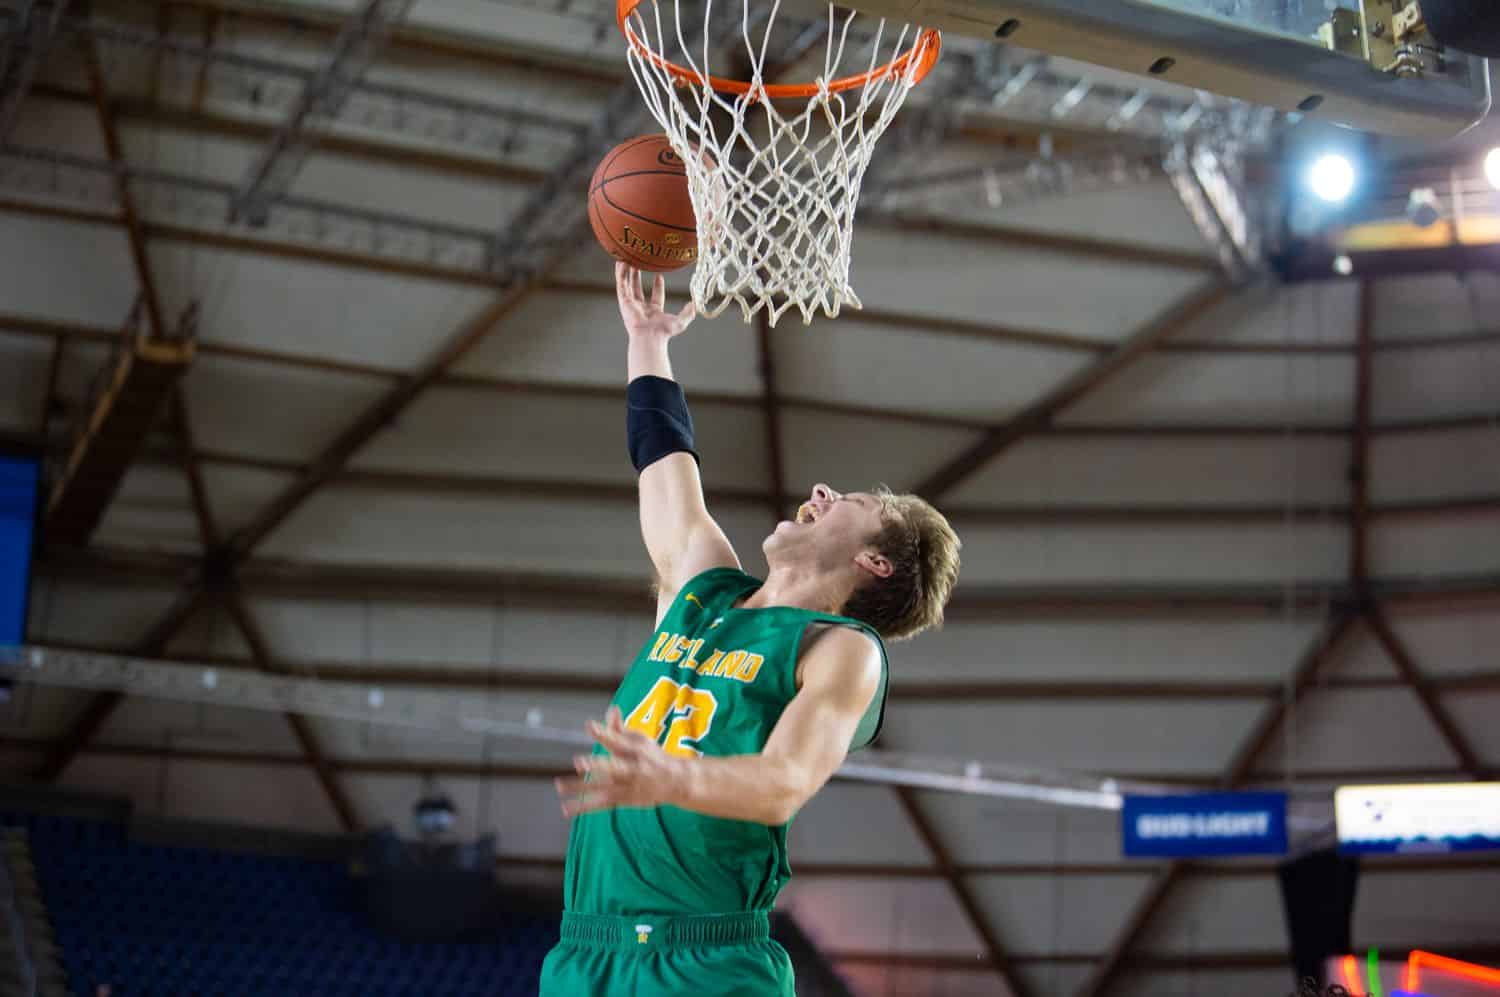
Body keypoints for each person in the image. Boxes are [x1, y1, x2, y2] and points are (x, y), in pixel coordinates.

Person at [540, 263, 961, 996]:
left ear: (874, 561)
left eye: (851, 501)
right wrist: (647, 344)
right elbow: (664, 465)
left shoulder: (843, 651)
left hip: (709, 958)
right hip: (587, 952)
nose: (820, 492)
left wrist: (672, 775)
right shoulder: (703, 586)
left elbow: (785, 782)